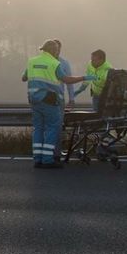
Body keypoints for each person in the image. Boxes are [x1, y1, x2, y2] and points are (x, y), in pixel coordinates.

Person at [24, 39, 92, 169]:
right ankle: (48, 159)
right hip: (49, 101)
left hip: (34, 100)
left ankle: (37, 159)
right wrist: (84, 78)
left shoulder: (32, 61)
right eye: (57, 50)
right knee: (52, 128)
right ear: (53, 51)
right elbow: (66, 79)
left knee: (38, 129)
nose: (58, 52)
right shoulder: (55, 63)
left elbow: (24, 77)